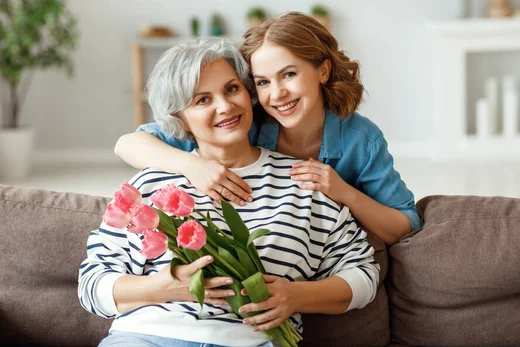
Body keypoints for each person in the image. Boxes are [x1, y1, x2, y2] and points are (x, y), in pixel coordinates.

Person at [79, 37, 379, 347]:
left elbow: (363, 274)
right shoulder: (152, 184)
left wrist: (296, 297)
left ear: (249, 95)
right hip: (147, 337)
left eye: (232, 89)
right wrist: (164, 287)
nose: (225, 106)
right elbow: (92, 285)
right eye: (202, 100)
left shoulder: (303, 182)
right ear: (179, 118)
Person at [114, 12, 420, 246]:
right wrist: (192, 165)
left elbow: (405, 224)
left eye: (289, 74)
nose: (277, 94)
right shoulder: (241, 121)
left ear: (323, 71)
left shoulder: (360, 140)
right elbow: (128, 144)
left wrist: (343, 191)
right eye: (262, 82)